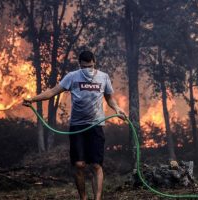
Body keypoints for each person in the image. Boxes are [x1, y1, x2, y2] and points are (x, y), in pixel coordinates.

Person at [23, 50, 126, 200]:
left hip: (96, 125)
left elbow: (110, 98)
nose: (88, 70)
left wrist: (117, 109)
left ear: (94, 63)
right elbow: (52, 92)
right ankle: (83, 198)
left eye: (90, 67)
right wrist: (32, 99)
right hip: (77, 126)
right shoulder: (72, 77)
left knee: (96, 165)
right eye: (85, 68)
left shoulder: (103, 77)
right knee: (79, 164)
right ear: (80, 65)